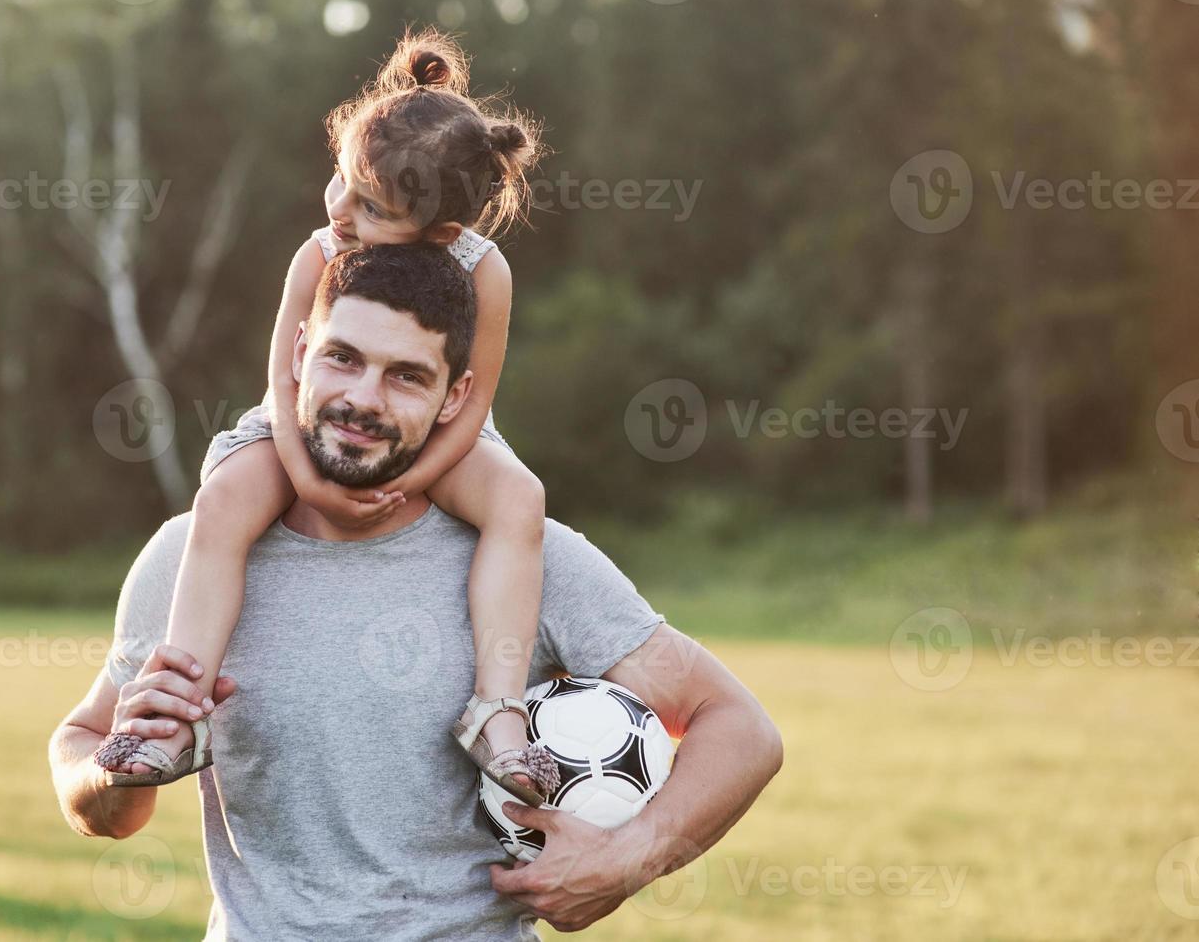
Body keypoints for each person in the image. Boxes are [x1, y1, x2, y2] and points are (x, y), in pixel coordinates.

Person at [50, 243, 783, 941]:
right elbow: (91, 770)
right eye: (342, 358)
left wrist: (629, 858)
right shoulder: (196, 555)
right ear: (299, 353)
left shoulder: (528, 559)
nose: (361, 399)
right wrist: (111, 774)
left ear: (453, 396)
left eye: (405, 375)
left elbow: (737, 729)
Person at [91, 28, 557, 803]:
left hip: (433, 430)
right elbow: (284, 379)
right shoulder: (320, 251)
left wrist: (414, 480)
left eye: (368, 205)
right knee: (223, 499)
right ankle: (175, 712)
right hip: (300, 422)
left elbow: (472, 400)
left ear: (439, 233)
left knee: (520, 500)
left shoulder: (483, 269)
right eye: (340, 179)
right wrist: (307, 478)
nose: (338, 207)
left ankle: (497, 713)